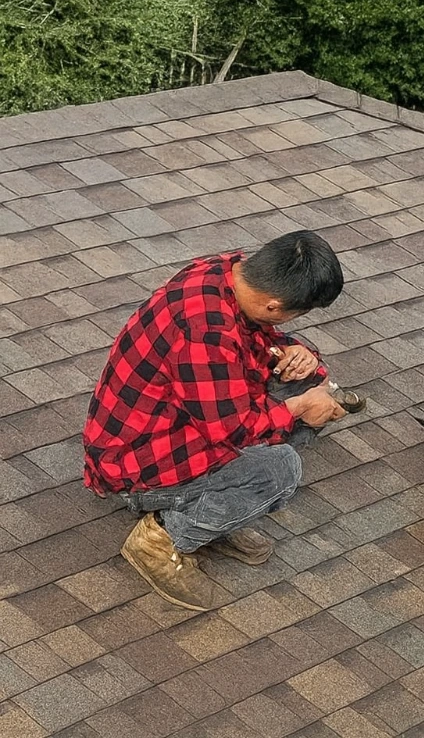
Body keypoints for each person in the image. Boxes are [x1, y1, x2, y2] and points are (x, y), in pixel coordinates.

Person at [83, 230, 354, 612]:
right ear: (275, 305)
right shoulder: (205, 334)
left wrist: (296, 352)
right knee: (279, 470)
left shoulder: (226, 273)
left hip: (169, 424)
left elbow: (253, 342)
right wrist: (300, 408)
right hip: (135, 461)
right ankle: (161, 538)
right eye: (298, 313)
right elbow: (234, 431)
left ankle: (211, 512)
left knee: (311, 386)